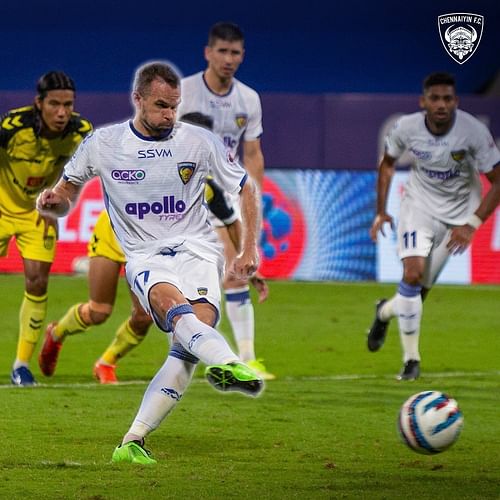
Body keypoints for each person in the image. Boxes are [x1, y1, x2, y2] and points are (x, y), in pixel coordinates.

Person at [37, 61, 264, 464]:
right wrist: (55, 200)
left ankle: (132, 441)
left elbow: (245, 185)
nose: (169, 115)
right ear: (137, 99)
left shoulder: (197, 141)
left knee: (189, 344)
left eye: (174, 106)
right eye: (161, 105)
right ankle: (230, 363)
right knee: (172, 312)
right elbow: (66, 189)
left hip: (197, 252)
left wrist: (248, 249)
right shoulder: (103, 144)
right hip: (145, 255)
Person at [38, 112, 251, 384]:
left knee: (143, 316)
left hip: (151, 251)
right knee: (99, 310)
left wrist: (247, 256)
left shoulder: (207, 187)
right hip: (113, 236)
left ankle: (106, 362)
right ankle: (57, 334)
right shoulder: (152, 159)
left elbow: (232, 221)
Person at [367, 72, 500, 380]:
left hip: (458, 218)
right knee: (411, 276)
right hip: (419, 208)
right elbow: (387, 163)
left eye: (448, 99)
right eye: (435, 98)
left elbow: (497, 181)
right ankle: (411, 361)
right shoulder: (406, 127)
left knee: (417, 294)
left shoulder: (473, 132)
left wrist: (472, 224)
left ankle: (384, 311)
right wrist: (380, 212)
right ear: (423, 101)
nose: (442, 105)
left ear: (456, 102)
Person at [177, 21, 274, 380]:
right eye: (222, 51)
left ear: (242, 56)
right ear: (208, 52)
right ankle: (228, 355)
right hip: (187, 194)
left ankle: (243, 357)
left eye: (235, 53)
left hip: (227, 193)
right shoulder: (184, 91)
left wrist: (254, 199)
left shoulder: (248, 99)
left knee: (234, 272)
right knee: (221, 275)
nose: (228, 59)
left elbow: (254, 153)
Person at [0, 71, 92, 386]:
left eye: (68, 104)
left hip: (36, 214)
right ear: (39, 103)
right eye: (54, 104)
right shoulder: (13, 127)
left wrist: (58, 204)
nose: (62, 112)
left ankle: (21, 365)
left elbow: (78, 179)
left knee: (38, 283)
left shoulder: (82, 133)